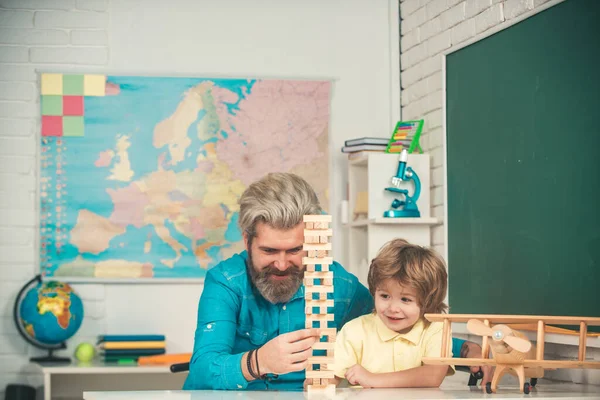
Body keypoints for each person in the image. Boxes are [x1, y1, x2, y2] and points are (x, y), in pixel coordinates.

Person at [183, 172, 492, 391]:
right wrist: (259, 361)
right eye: (268, 250)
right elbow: (200, 372)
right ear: (247, 239)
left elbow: (389, 326)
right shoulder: (225, 283)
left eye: (294, 250)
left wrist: (464, 350)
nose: (281, 263)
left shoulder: (339, 285)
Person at [333, 239, 453, 388]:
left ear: (428, 301)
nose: (393, 308)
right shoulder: (354, 331)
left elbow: (433, 375)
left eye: (405, 299)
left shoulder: (435, 328)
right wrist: (317, 383)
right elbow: (330, 379)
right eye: (385, 296)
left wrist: (372, 379)